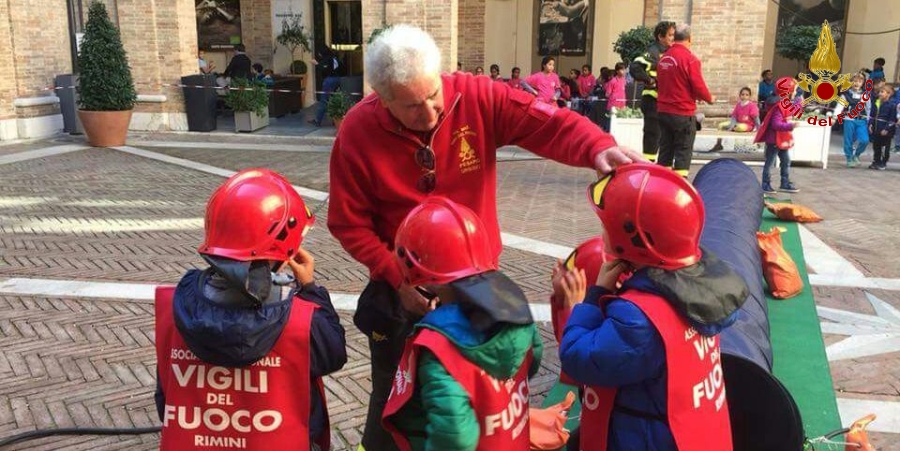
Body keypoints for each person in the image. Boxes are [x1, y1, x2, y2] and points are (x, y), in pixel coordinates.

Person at [326, 24, 641, 451]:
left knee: (485, 388)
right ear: (382, 100)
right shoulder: (357, 132)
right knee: (392, 395)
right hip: (403, 291)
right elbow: (348, 223)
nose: (431, 113)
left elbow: (548, 123)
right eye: (413, 107)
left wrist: (595, 147)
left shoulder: (476, 95)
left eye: (433, 95)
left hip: (478, 285)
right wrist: (395, 278)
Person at [154, 168, 347, 451]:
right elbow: (333, 355)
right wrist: (312, 290)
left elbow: (166, 395)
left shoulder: (173, 308)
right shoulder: (303, 320)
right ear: (286, 250)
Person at [560, 163, 746, 451]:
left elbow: (579, 359)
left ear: (633, 239)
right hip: (695, 436)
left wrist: (586, 302)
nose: (602, 230)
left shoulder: (639, 319)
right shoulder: (705, 285)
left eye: (606, 224)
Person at [381, 197, 542, 451]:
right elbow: (531, 361)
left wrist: (440, 324)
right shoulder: (513, 308)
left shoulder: (437, 349)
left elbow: (454, 437)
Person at [656, 23, 714, 178]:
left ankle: (661, 184)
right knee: (683, 150)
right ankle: (679, 188)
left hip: (663, 111)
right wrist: (709, 98)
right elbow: (698, 85)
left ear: (674, 38)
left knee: (665, 149)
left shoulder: (664, 58)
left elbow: (668, 84)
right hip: (682, 114)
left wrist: (693, 95)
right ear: (690, 39)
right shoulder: (690, 59)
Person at [630, 21, 675, 162]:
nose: (673, 38)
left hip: (664, 102)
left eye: (674, 35)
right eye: (670, 35)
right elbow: (635, 66)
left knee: (662, 135)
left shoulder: (669, 52)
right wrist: (649, 80)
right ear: (660, 37)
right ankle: (648, 164)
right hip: (652, 100)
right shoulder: (653, 51)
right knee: (652, 134)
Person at [754, 77, 800, 194]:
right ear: (787, 92)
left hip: (782, 139)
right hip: (774, 139)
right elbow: (776, 124)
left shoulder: (784, 104)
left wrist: (799, 103)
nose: (796, 93)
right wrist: (791, 126)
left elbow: (792, 111)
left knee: (786, 161)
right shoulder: (779, 106)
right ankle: (765, 184)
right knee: (770, 162)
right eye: (794, 90)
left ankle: (784, 183)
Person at [834, 74, 871, 167]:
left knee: (864, 140)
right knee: (848, 141)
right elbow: (839, 107)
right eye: (854, 81)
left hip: (861, 121)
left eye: (859, 81)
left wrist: (869, 120)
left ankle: (857, 155)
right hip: (849, 120)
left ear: (862, 83)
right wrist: (835, 116)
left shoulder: (865, 95)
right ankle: (849, 158)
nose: (856, 83)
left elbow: (868, 108)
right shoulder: (845, 95)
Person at [309, 44, 342, 127]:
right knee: (334, 100)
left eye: (319, 53)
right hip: (337, 79)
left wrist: (316, 64)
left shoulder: (327, 59)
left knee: (324, 100)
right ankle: (336, 120)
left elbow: (325, 69)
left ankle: (317, 120)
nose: (319, 55)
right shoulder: (334, 57)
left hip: (330, 80)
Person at [868, 85, 897, 170]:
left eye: (882, 92)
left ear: (889, 94)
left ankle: (883, 162)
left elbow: (892, 119)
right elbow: (872, 115)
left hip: (886, 132)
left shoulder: (892, 105)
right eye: (879, 92)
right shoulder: (876, 103)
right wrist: (870, 124)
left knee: (884, 148)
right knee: (876, 146)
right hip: (876, 129)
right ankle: (876, 161)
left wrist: (886, 129)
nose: (880, 93)